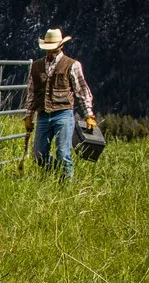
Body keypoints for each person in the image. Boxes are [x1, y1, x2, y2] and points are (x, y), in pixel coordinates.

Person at [22, 28, 96, 179]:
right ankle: (57, 174)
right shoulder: (36, 66)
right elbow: (32, 93)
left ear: (60, 46)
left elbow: (82, 90)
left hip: (63, 113)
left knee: (63, 153)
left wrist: (89, 114)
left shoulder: (72, 65)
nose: (49, 51)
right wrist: (29, 115)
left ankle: (67, 183)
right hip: (43, 114)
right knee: (38, 155)